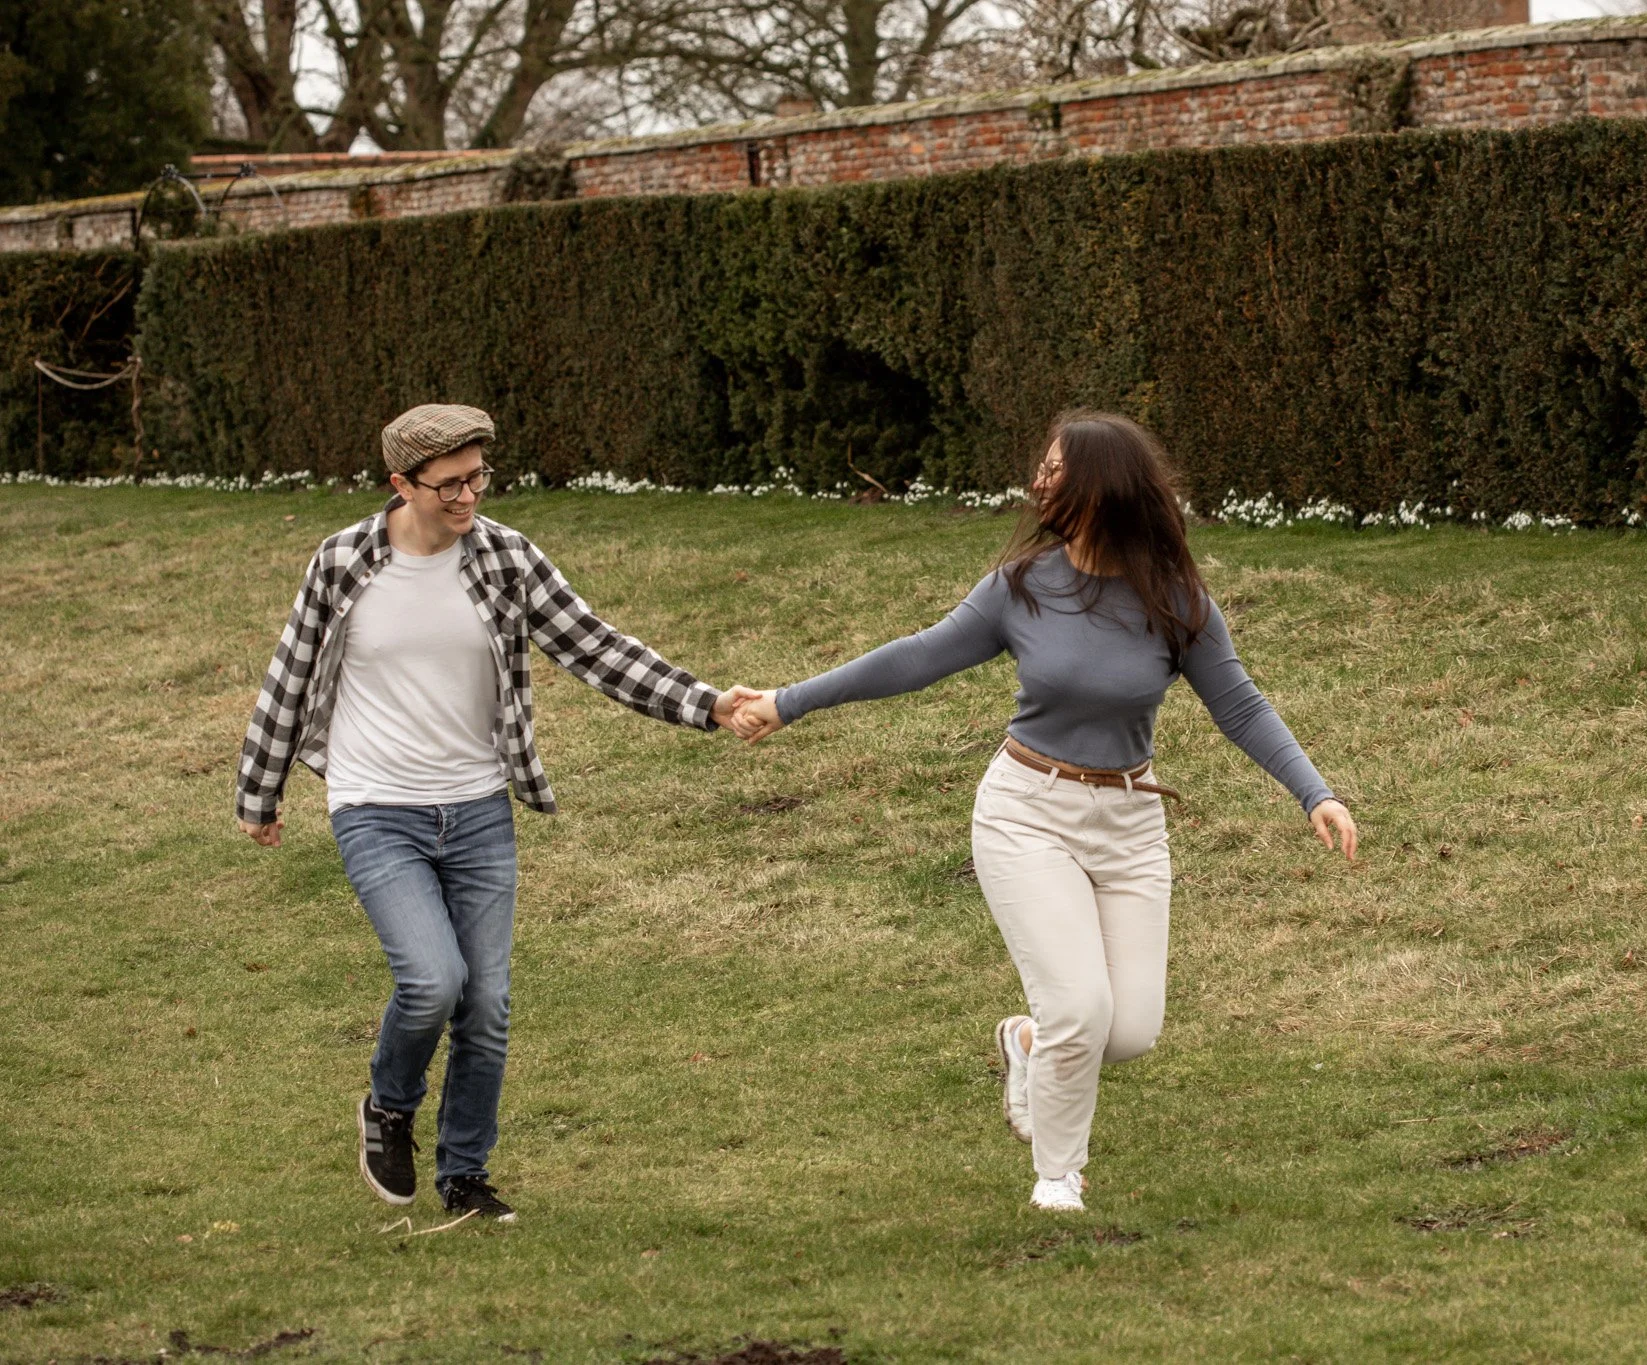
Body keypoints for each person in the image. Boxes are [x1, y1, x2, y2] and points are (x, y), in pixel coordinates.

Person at [733, 410, 1355, 1211]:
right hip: (1027, 810)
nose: (1040, 481)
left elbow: (1239, 704)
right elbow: (916, 656)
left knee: (1127, 1032)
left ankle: (1025, 1043)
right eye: (1044, 468)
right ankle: (1057, 1176)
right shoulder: (1021, 587)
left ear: (1102, 484)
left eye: (1058, 470)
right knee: (1079, 1008)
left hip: (1130, 822)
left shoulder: (1176, 598)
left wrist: (1317, 792)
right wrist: (788, 701)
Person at [235, 403, 758, 1224]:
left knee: (486, 1002)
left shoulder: (507, 558)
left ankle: (465, 1175)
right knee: (432, 979)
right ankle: (388, 1103)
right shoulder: (342, 561)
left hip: (477, 806)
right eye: (448, 483)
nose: (468, 495)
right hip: (376, 804)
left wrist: (707, 704)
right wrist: (259, 793)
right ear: (400, 485)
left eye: (478, 476)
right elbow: (291, 672)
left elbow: (595, 646)